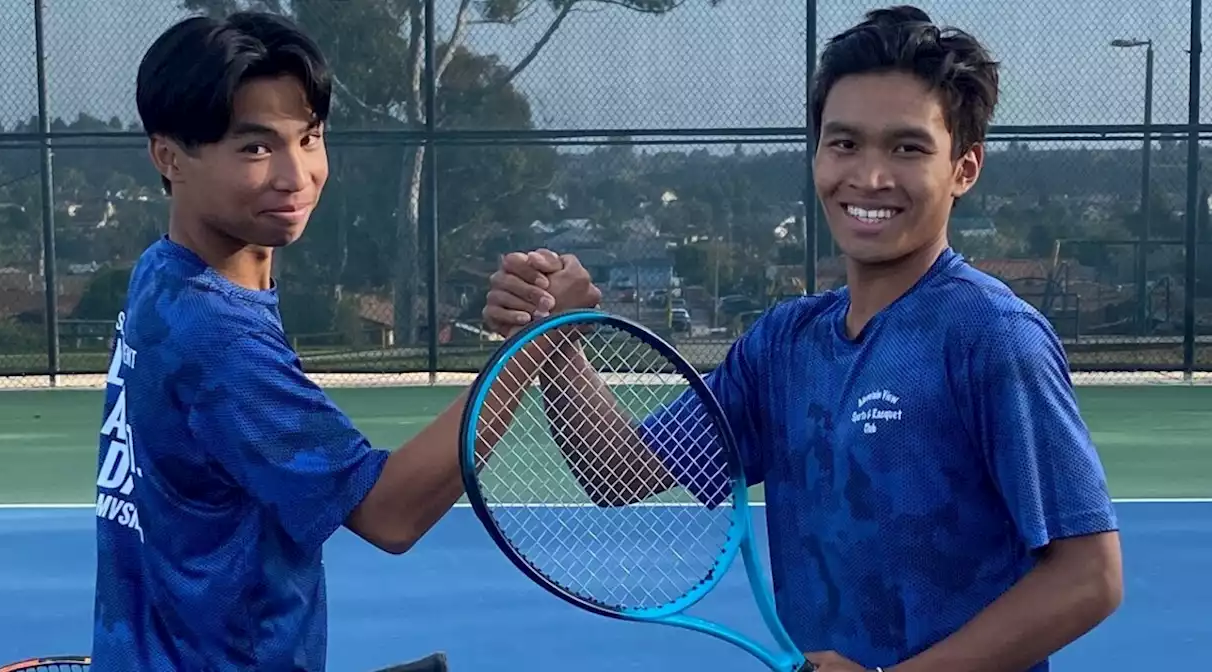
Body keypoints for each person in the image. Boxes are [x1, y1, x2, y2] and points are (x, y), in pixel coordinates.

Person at [483, 6, 1122, 672]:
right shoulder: (785, 345)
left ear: (964, 167)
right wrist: (555, 338)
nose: (868, 177)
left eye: (907, 148)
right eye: (844, 143)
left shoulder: (994, 337)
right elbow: (618, 471)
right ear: (817, 153)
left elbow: (1089, 577)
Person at [91, 11, 550, 672]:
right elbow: (390, 515)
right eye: (254, 148)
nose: (295, 174)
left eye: (308, 138)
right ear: (169, 158)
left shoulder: (161, 275)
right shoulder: (217, 335)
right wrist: (527, 348)